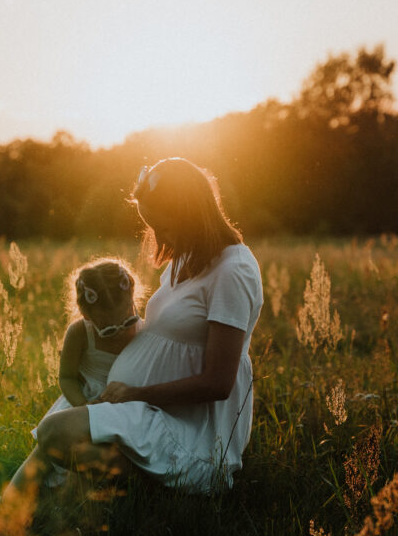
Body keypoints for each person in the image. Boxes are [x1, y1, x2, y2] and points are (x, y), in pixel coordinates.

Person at [32, 157, 264, 493]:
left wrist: (134, 394)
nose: (158, 236)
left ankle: (159, 486)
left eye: (164, 226)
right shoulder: (188, 256)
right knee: (56, 437)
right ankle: (22, 507)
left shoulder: (233, 271)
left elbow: (218, 383)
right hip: (148, 410)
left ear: (190, 213)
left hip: (189, 428)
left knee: (55, 434)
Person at [6, 258, 142, 492]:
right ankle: (7, 502)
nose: (120, 330)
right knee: (46, 453)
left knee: (85, 463)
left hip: (120, 407)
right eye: (109, 328)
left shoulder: (143, 331)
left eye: (128, 320)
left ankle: (60, 506)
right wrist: (83, 406)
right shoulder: (80, 332)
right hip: (83, 403)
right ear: (86, 314)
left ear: (133, 300)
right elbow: (67, 377)